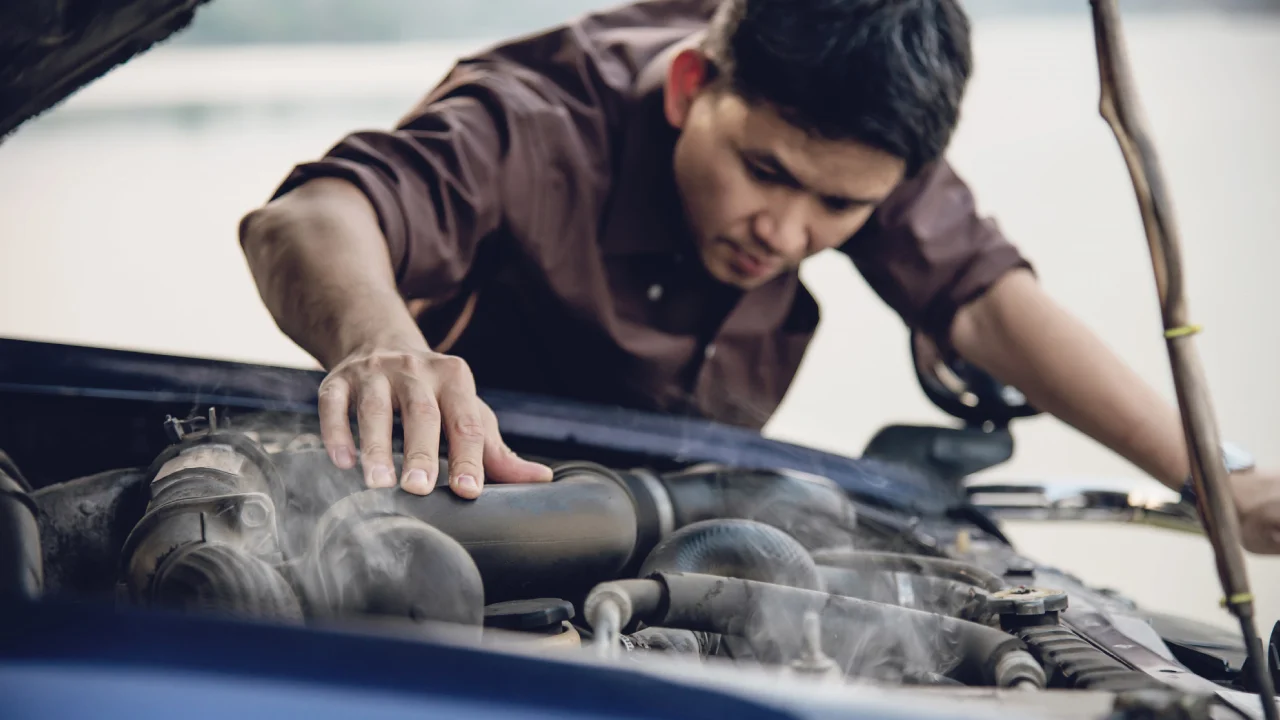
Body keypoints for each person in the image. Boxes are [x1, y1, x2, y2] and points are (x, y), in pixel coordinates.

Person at [239, 0, 1280, 553]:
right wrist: (383, 344)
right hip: (466, 514)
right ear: (694, 86)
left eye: (838, 208)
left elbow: (989, 302)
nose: (784, 230)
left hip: (694, 519)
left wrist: (1215, 483)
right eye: (763, 174)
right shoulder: (537, 120)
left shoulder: (858, 140)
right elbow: (310, 216)